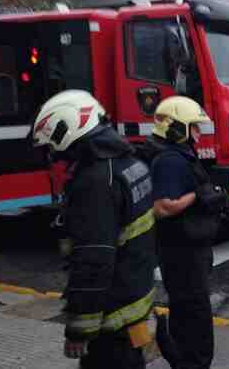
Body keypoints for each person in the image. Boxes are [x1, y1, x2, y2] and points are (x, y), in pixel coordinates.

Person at [31, 90, 156, 368]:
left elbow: (94, 261)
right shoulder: (131, 162)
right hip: (134, 304)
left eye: (53, 144)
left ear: (69, 130)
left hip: (110, 321)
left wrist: (79, 330)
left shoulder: (95, 181)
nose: (54, 154)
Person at [144, 96, 220, 369]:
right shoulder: (169, 161)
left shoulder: (179, 155)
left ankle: (186, 358)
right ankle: (191, 362)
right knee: (193, 311)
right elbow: (163, 207)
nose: (199, 133)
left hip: (190, 250)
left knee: (191, 309)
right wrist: (198, 196)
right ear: (177, 128)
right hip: (182, 252)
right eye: (194, 127)